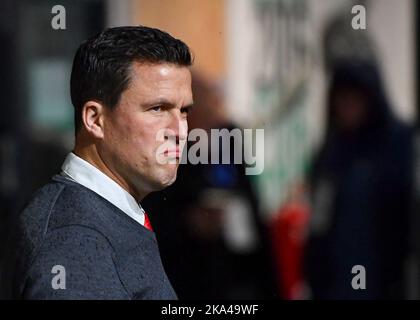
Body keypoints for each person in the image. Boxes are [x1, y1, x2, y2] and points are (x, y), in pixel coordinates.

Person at [0, 26, 194, 299]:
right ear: (94, 119)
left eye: (184, 110)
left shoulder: (102, 216)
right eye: (157, 109)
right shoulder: (73, 239)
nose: (180, 130)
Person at [304, 59, 414, 299]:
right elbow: (319, 222)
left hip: (385, 281)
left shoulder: (399, 147)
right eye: (342, 100)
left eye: (355, 100)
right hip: (337, 283)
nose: (348, 107)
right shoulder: (330, 155)